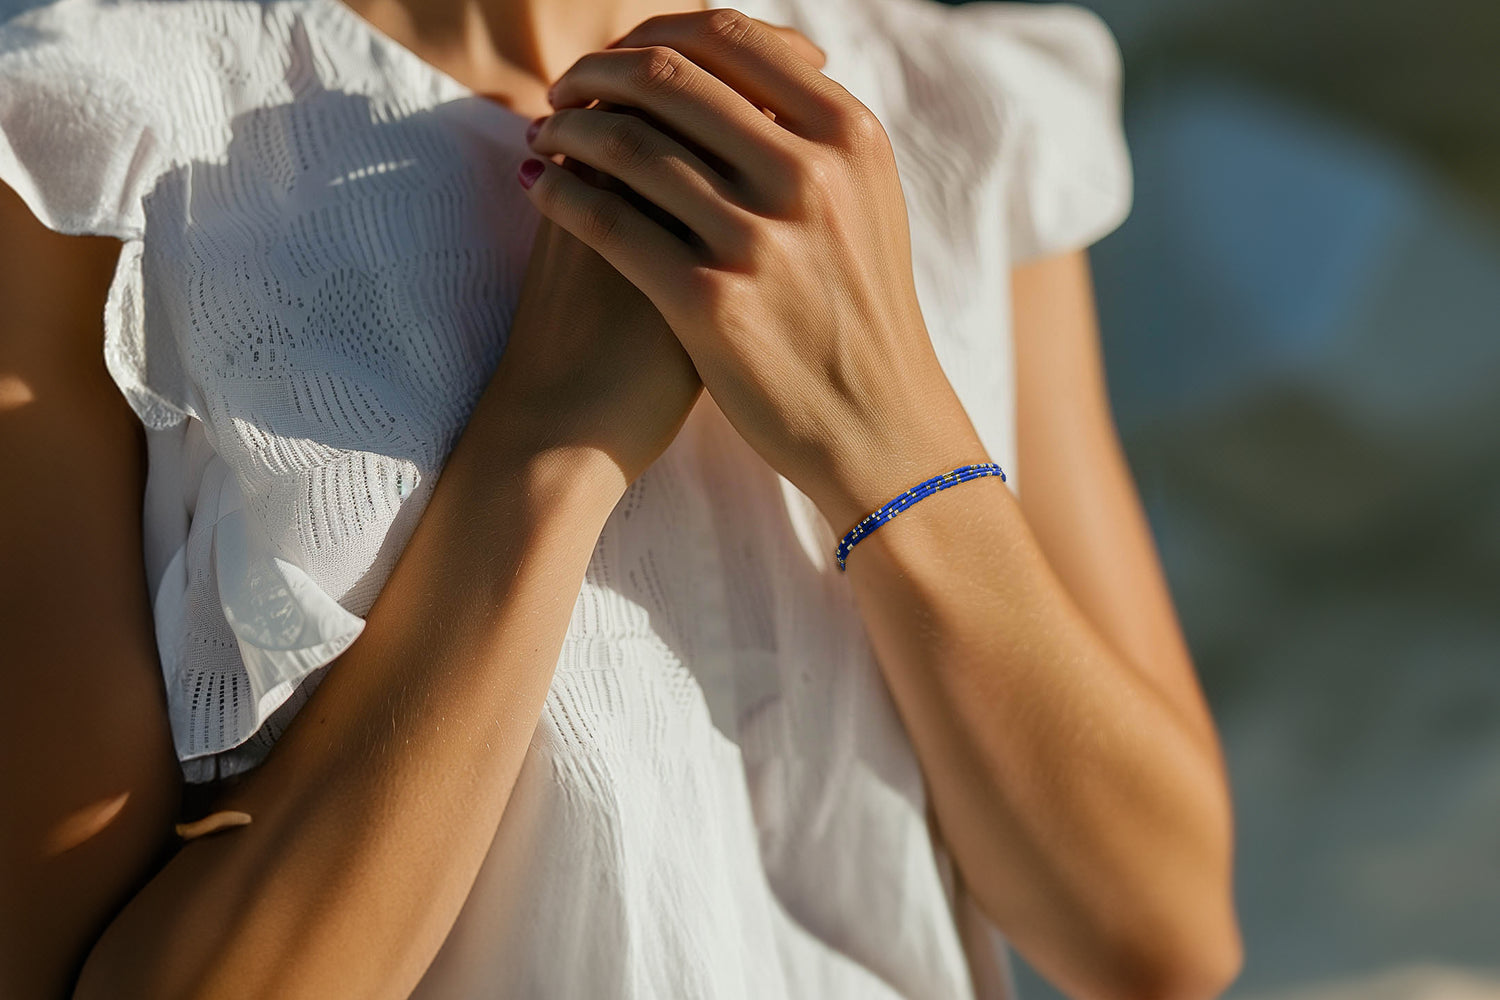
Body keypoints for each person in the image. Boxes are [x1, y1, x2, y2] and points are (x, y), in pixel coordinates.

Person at [0, 0, 1243, 996]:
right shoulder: (84, 150)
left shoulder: (947, 114)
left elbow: (1160, 937)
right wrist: (546, 446)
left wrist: (885, 422)